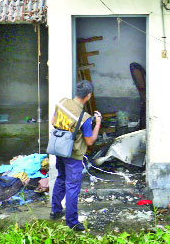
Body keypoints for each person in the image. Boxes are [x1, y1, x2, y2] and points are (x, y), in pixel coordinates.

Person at [50, 80, 102, 231]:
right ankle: (72, 222)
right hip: (73, 155)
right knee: (72, 187)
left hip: (59, 149)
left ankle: (55, 210)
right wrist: (97, 123)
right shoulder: (84, 118)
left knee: (61, 178)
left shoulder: (61, 103)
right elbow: (90, 141)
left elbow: (54, 121)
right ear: (88, 96)